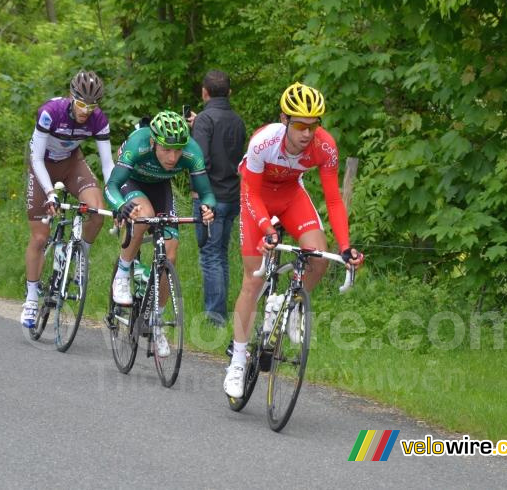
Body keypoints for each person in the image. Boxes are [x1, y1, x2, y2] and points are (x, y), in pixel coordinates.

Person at [223, 82, 365, 398]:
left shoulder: (325, 147)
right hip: (256, 200)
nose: (307, 133)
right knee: (253, 279)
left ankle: (288, 306)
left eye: (314, 125)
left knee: (319, 255)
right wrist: (266, 228)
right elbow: (250, 192)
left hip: (290, 197)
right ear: (285, 120)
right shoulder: (264, 141)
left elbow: (333, 200)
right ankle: (237, 359)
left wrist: (345, 246)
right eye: (300, 125)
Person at [104, 110, 215, 354]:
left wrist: (208, 208)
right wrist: (120, 206)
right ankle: (123, 273)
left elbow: (206, 193)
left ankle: (156, 322)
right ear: (153, 142)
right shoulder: (138, 144)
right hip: (130, 182)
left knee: (170, 255)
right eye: (166, 149)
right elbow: (111, 185)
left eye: (178, 150)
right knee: (143, 214)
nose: (173, 157)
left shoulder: (191, 151)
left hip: (160, 186)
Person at [21, 70, 115, 328]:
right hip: (43, 165)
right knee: (40, 237)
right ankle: (31, 298)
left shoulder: (98, 120)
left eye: (92, 105)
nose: (87, 110)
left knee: (97, 211)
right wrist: (50, 193)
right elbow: (36, 158)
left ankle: (81, 255)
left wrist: (119, 197)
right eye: (82, 104)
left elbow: (108, 165)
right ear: (72, 97)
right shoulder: (51, 112)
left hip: (72, 164)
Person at [187, 70, 247, 326]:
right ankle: (220, 312)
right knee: (220, 253)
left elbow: (200, 159)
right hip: (233, 195)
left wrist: (196, 191)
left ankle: (215, 316)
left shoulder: (204, 121)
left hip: (209, 196)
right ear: (230, 93)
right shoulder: (238, 121)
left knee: (209, 254)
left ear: (204, 92)